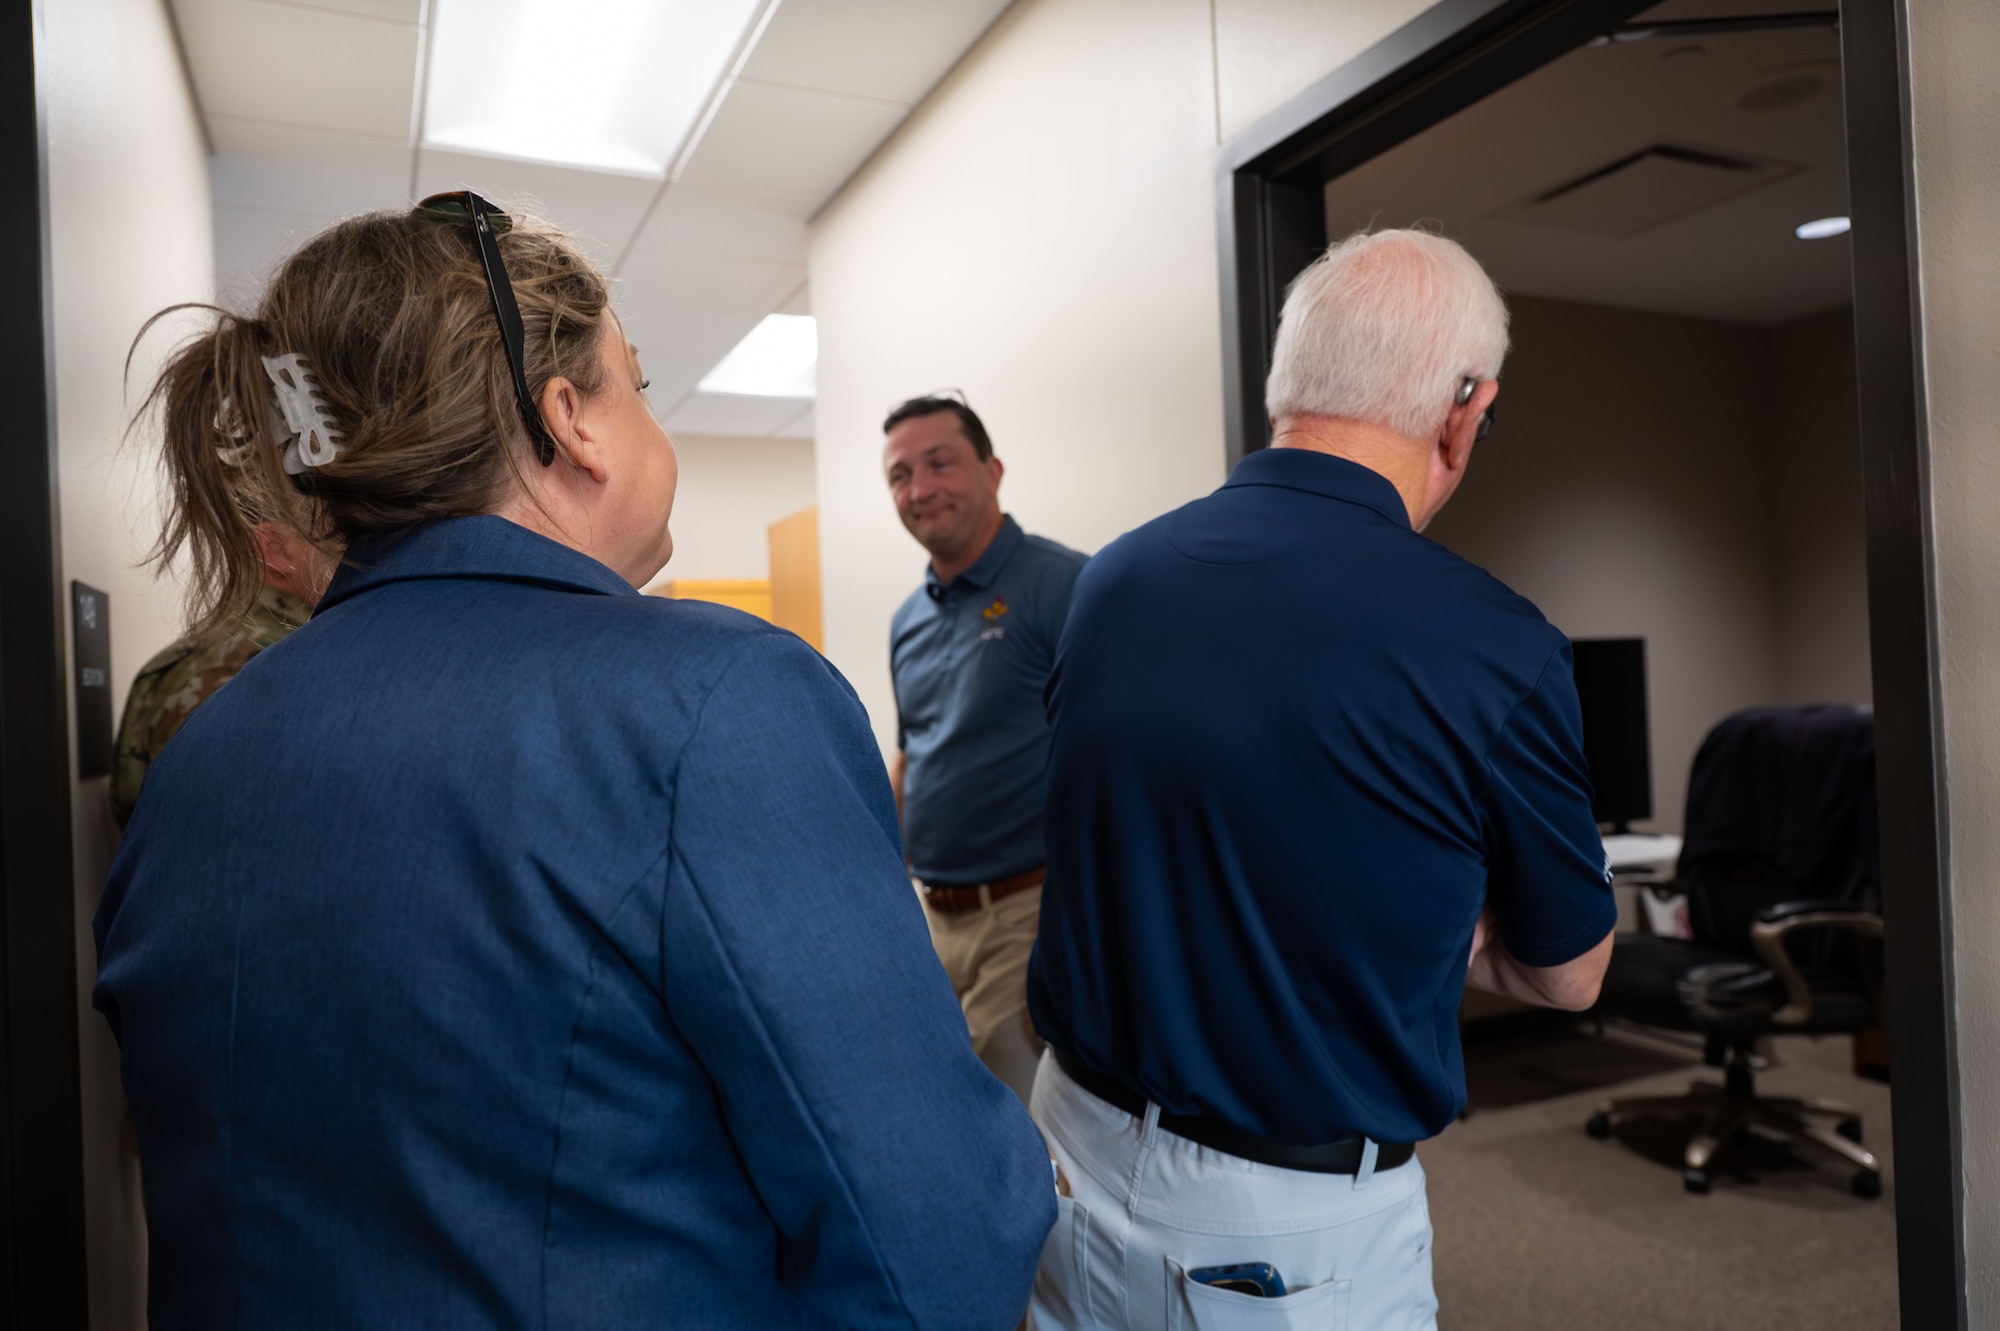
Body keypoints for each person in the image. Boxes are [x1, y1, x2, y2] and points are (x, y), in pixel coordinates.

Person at [93, 195, 1054, 1330]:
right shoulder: (714, 699)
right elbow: (929, 1240)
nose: (650, 416)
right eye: (636, 383)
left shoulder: (207, 748)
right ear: (572, 418)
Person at [1024, 229, 1618, 1330]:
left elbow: (1148, 837)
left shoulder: (1111, 580)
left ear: (1284, 388)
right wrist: (1425, 918)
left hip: (1064, 1142)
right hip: (1278, 1230)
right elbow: (1569, 976)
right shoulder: (1493, 644)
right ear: (1462, 408)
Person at [883, 393, 1087, 1104]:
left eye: (940, 463)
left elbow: (1124, 744)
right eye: (901, 475)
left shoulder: (1061, 585)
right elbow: (915, 751)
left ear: (992, 470)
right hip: (933, 919)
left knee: (1025, 1129)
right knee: (949, 1117)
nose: (920, 488)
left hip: (1026, 914)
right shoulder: (907, 621)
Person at [109, 522, 321, 829]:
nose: (342, 552)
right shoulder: (279, 658)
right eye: (328, 537)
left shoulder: (196, 655)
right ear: (274, 547)